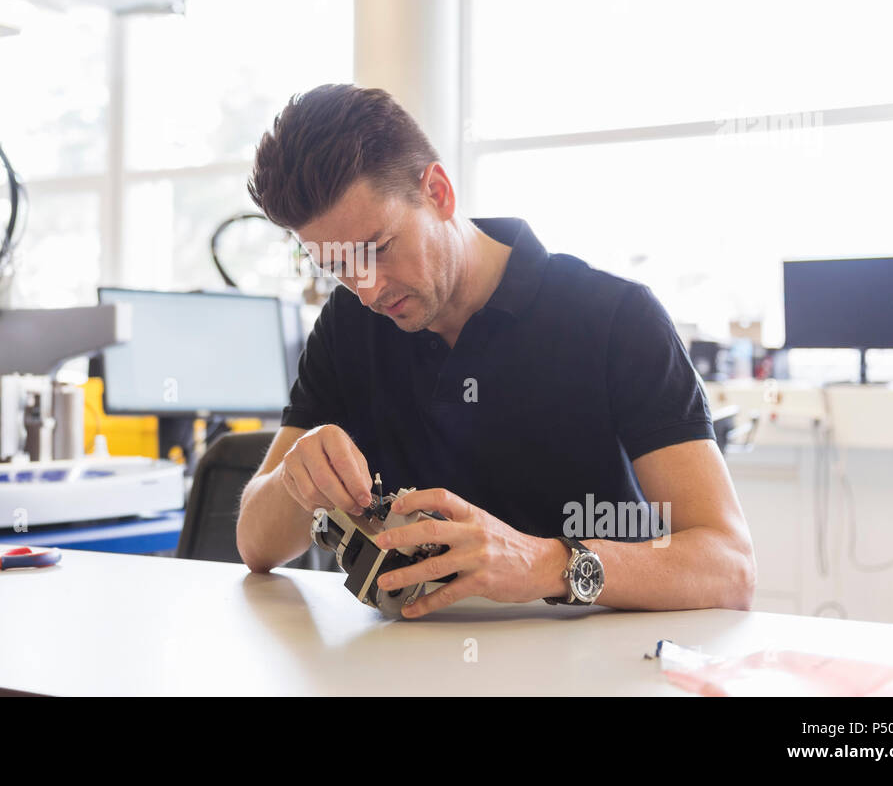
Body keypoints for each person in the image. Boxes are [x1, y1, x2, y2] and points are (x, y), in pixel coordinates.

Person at [236, 83, 756, 617]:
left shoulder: (616, 317)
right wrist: (297, 476)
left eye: (378, 248)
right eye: (340, 267)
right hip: (408, 666)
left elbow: (729, 566)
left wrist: (546, 564)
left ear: (438, 192)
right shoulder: (346, 325)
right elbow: (256, 544)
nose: (367, 290)